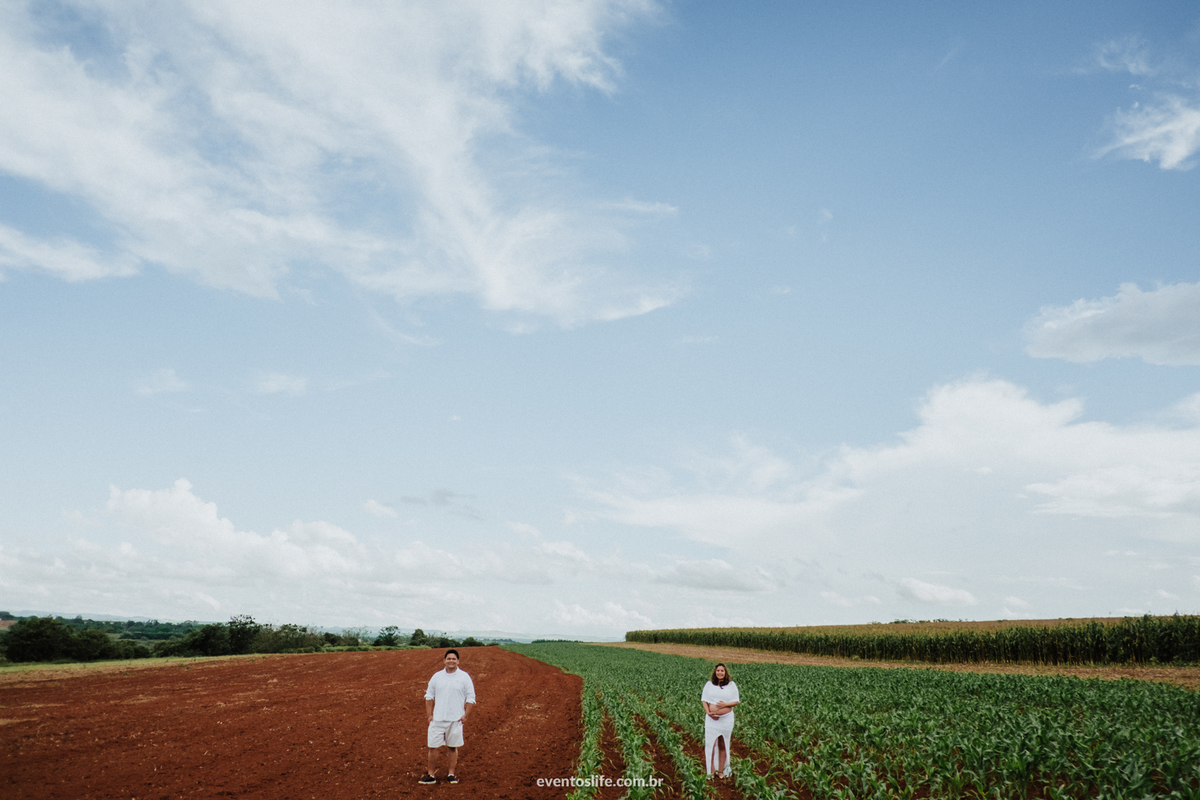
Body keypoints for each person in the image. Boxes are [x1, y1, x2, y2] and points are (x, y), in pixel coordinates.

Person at [418, 649, 476, 785]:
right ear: (444, 661)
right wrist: (429, 715)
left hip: (455, 719)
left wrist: (466, 715)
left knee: (452, 747)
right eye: (448, 659)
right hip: (437, 719)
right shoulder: (437, 677)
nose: (451, 661)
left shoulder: (464, 677)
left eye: (454, 659)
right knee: (433, 747)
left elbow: (471, 697)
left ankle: (451, 774)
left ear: (458, 661)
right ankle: (431, 775)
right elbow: (429, 696)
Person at [701, 663, 739, 779]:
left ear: (725, 672)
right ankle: (711, 771)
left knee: (723, 743)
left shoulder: (731, 685)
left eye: (722, 671)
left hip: (726, 719)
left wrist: (725, 704)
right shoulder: (709, 685)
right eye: (718, 670)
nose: (720, 673)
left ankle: (721, 770)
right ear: (715, 672)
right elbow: (704, 700)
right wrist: (708, 712)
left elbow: (736, 701)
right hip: (711, 720)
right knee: (711, 744)